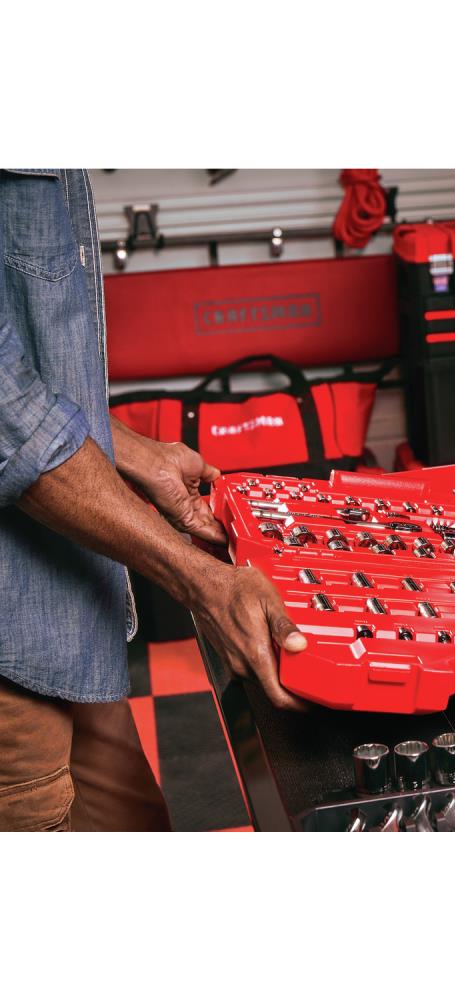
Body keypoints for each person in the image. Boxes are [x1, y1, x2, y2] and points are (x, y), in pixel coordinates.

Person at [0, 169, 308, 832]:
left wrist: (141, 455)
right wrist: (202, 582)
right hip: (8, 648)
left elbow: (26, 382)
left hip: (68, 618)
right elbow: (8, 420)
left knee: (136, 824)